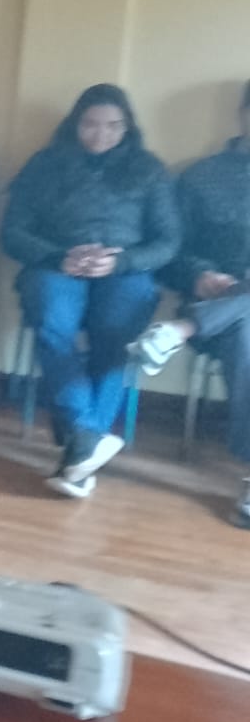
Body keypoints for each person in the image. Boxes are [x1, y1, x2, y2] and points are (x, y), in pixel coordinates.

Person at [2, 84, 179, 498]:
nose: (101, 134)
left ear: (127, 127)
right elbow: (11, 233)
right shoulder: (44, 165)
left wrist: (122, 261)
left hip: (123, 270)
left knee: (117, 333)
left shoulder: (149, 169)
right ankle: (87, 436)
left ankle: (80, 446)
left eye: (113, 126)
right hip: (56, 266)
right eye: (91, 124)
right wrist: (58, 257)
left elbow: (168, 241)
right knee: (52, 323)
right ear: (74, 124)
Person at [129, 79, 250, 527]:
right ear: (242, 115)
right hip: (222, 309)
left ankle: (177, 331)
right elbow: (169, 252)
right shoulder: (201, 177)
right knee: (248, 334)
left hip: (211, 317)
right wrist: (199, 275)